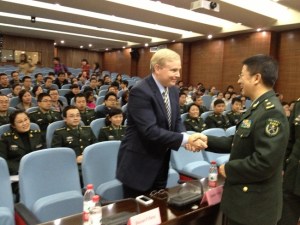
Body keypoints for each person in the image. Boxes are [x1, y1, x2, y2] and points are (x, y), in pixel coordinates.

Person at [202, 55, 289, 225]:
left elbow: (264, 162)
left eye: (242, 75)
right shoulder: (257, 107)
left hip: (253, 209)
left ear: (256, 78)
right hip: (243, 203)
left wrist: (229, 168)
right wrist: (205, 139)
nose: (239, 80)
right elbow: (236, 142)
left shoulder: (271, 112)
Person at [116, 49, 207, 198]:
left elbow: (176, 119)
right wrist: (186, 140)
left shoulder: (173, 90)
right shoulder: (140, 91)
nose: (178, 75)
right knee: (138, 215)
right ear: (157, 68)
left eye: (179, 70)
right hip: (139, 166)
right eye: (174, 70)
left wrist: (184, 136)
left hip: (161, 162)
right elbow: (150, 131)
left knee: (158, 210)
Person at [0, 110, 45, 175]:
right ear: (13, 125)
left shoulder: (37, 134)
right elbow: (2, 160)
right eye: (20, 122)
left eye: (26, 120)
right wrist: (21, 168)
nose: (24, 123)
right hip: (18, 172)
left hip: (38, 169)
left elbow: (44, 154)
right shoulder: (6, 138)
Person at [277, 98, 300, 225]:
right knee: (286, 218)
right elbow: (290, 140)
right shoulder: (298, 106)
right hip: (294, 172)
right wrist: (283, 167)